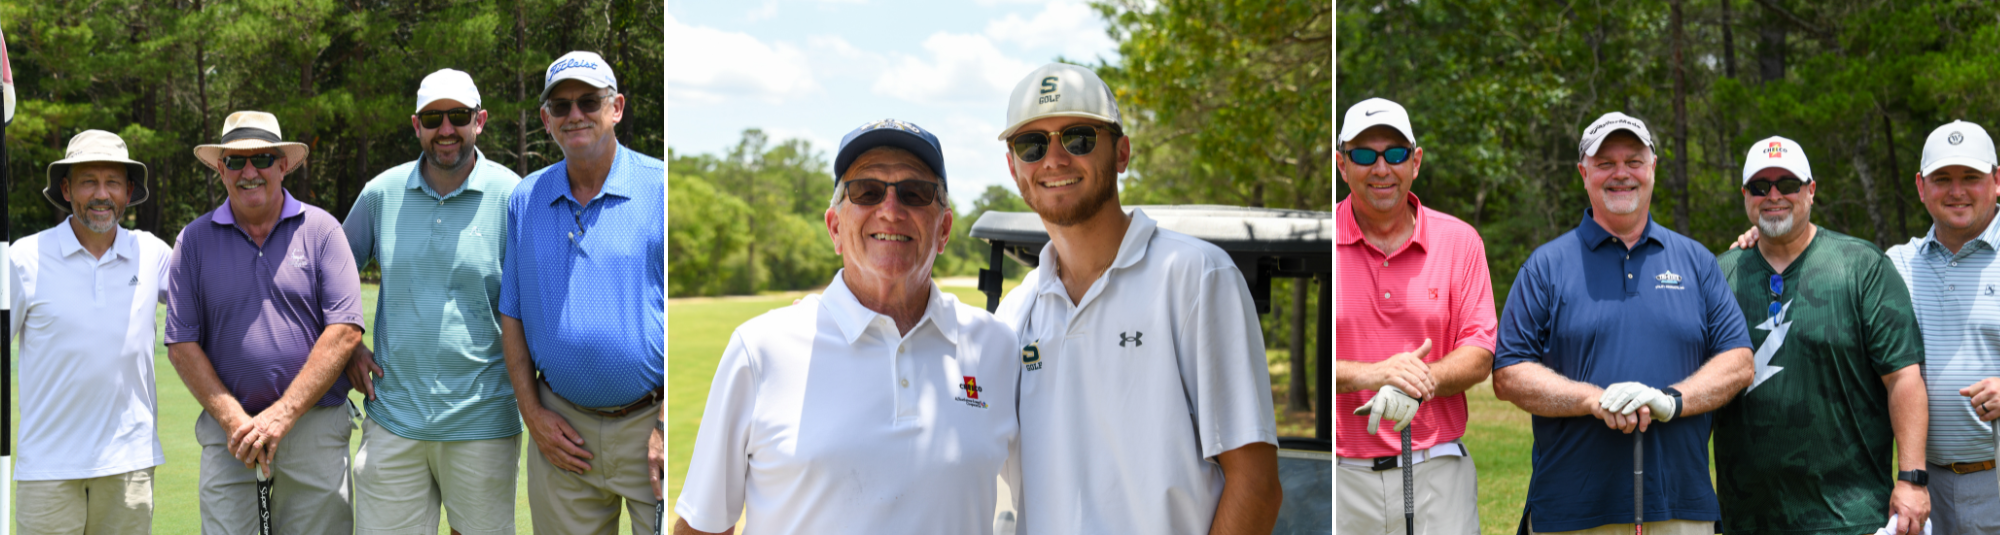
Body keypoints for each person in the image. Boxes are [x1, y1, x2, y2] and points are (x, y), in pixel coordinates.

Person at [674, 118, 1020, 534]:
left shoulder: (996, 346)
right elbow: (702, 527)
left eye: (914, 193)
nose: (890, 211)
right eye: (867, 192)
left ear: (943, 230)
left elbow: (1051, 495)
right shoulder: (760, 348)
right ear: (835, 228)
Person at [991, 62, 1282, 534]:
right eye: (1032, 144)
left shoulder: (1196, 276)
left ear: (1121, 152)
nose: (1055, 159)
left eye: (1079, 137)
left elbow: (1255, 485)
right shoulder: (1014, 313)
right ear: (1013, 167)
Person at [1491, 111, 1754, 535]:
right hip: (1572, 508)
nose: (1621, 174)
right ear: (1583, 173)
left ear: (1653, 167)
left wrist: (1671, 400)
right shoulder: (1545, 266)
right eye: (1605, 163)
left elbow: (1739, 361)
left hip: (1680, 505)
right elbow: (1509, 374)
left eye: (1633, 160)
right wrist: (1593, 400)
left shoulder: (1697, 261)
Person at [1711, 136, 1930, 535]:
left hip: (1851, 517)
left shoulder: (1862, 267)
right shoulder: (1718, 275)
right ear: (1745, 196)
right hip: (1746, 518)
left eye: (1787, 184)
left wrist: (1912, 478)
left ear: (1811, 191)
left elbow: (1903, 377)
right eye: (1761, 187)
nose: (1774, 195)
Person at [164, 110, 365, 533]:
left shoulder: (322, 230)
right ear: (221, 169)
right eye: (236, 161)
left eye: (262, 158)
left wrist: (282, 415)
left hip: (313, 428)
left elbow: (345, 329)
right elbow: (182, 344)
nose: (249, 171)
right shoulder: (194, 241)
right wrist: (237, 421)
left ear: (283, 165)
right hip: (229, 435)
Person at [343, 68, 524, 535]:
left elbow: (535, 305)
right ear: (416, 125)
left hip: (483, 422)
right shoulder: (381, 193)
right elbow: (331, 282)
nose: (446, 129)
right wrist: (350, 348)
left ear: (479, 120)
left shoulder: (513, 195)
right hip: (393, 419)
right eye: (433, 118)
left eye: (458, 116)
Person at [499, 50, 665, 534]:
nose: (575, 115)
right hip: (561, 429)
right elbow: (513, 315)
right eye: (561, 106)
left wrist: (664, 427)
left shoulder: (661, 189)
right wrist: (533, 415)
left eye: (588, 102)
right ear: (547, 120)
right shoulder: (526, 198)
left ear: (616, 108)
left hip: (649, 427)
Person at [1333, 97, 1495, 534]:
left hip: (1436, 471)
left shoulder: (1460, 241)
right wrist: (1377, 374)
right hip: (1341, 478)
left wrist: (1419, 383)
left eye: (1396, 154)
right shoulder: (1320, 241)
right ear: (1341, 164)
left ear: (1416, 161)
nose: (1381, 168)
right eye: (1364, 155)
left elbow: (1480, 350)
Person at [8, 130, 170, 533]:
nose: (101, 194)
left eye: (112, 182)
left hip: (127, 465)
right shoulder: (24, 258)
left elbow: (212, 298)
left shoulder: (152, 253)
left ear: (129, 191)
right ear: (66, 189)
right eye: (88, 182)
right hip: (47, 468)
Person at [1885, 121, 2000, 534]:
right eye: (1942, 179)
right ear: (1920, 186)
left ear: (1997, 180)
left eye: (1971, 177)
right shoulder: (1896, 264)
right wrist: (1766, 240)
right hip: (1921, 486)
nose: (1957, 191)